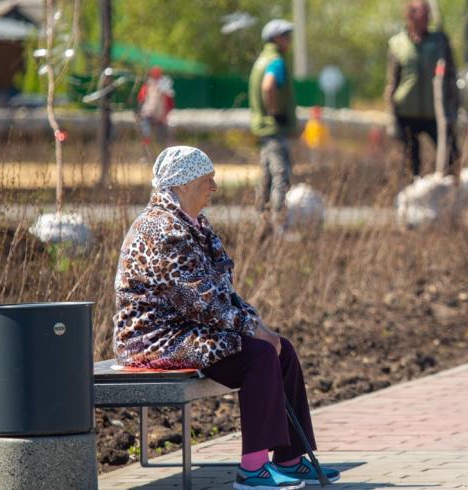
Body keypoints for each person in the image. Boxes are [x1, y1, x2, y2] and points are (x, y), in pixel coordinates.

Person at [112, 146, 339, 489]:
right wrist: (252, 330)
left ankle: (290, 459)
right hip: (154, 338)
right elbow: (199, 303)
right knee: (260, 355)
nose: (214, 187)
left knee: (282, 349)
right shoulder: (162, 231)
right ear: (185, 184)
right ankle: (252, 470)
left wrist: (257, 323)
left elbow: (220, 291)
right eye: (208, 180)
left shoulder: (192, 224)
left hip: (188, 330)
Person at [385, 0, 460, 177]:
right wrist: (392, 116)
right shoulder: (397, 43)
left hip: (436, 112)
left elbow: (451, 76)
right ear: (410, 15)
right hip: (407, 113)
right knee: (411, 163)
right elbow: (392, 81)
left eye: (428, 13)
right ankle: (413, 194)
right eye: (421, 13)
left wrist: (453, 106)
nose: (426, 17)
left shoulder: (440, 42)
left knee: (451, 155)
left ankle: (448, 195)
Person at [249, 19, 298, 234]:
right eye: (286, 36)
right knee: (281, 176)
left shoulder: (261, 60)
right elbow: (268, 86)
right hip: (274, 129)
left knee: (266, 178)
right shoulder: (276, 61)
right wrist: (276, 113)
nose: (289, 40)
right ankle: (279, 225)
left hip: (263, 130)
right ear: (276, 38)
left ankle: (262, 225)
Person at [137, 66, 175, 149]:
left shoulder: (165, 87)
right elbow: (141, 99)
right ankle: (146, 153)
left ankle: (161, 153)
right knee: (146, 134)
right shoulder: (147, 86)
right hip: (148, 114)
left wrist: (164, 116)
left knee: (161, 138)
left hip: (160, 116)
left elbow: (170, 104)